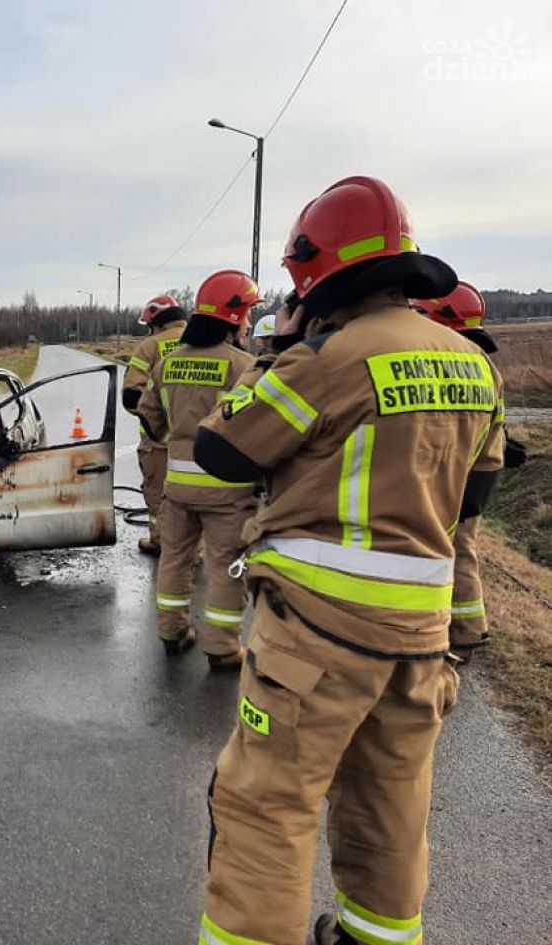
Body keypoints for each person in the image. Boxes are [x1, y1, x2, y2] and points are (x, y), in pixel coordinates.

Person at [192, 176, 505, 945]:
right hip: (420, 641)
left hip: (315, 640)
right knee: (392, 808)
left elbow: (221, 448)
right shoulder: (473, 362)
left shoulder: (326, 359)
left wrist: (285, 347)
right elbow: (476, 496)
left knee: (267, 806)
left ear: (312, 271)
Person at [136, 272, 259, 670]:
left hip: (177, 487)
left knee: (174, 558)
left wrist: (176, 439)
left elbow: (149, 416)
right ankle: (222, 649)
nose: (250, 323)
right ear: (234, 317)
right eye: (248, 315)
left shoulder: (168, 363)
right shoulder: (244, 366)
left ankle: (172, 633)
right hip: (228, 490)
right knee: (226, 565)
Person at [410, 282, 526, 662]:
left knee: (448, 547)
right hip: (483, 467)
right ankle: (468, 628)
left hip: (456, 467)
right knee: (463, 546)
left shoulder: (442, 359)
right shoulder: (483, 362)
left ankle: (458, 632)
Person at [121, 296, 188, 555]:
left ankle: (161, 541)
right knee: (198, 494)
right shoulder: (208, 342)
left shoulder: (150, 347)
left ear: (156, 324)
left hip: (158, 443)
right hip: (201, 441)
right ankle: (198, 546)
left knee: (158, 493)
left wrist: (157, 423)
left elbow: (131, 397)